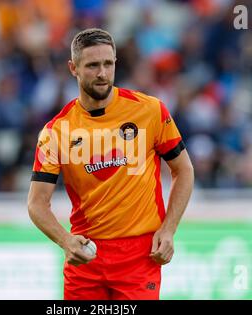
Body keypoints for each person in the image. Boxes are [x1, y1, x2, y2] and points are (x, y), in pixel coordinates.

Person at [27, 28, 194, 300]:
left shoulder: (150, 110)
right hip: (86, 256)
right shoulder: (56, 131)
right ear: (73, 68)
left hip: (140, 255)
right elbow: (36, 203)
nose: (102, 73)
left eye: (108, 63)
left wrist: (169, 228)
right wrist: (65, 240)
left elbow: (184, 170)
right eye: (92, 65)